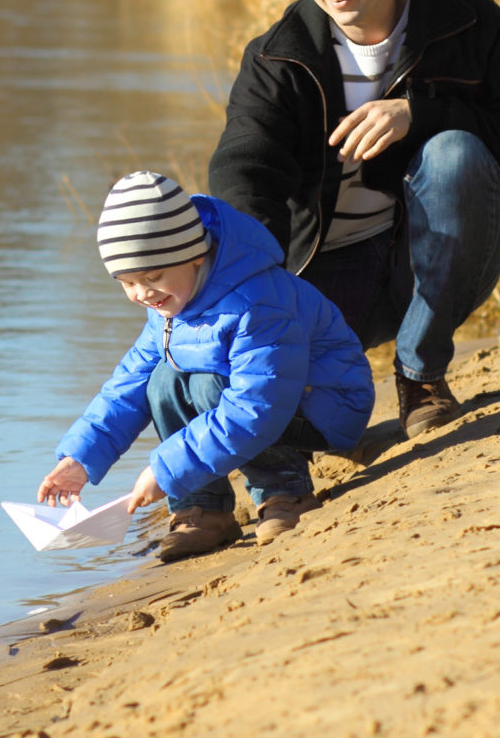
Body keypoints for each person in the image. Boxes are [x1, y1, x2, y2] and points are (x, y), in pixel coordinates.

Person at [207, 0, 500, 437]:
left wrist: (424, 115)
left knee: (454, 156)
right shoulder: (277, 57)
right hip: (318, 281)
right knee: (252, 390)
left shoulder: (468, 22)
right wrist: (244, 282)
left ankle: (420, 375)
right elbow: (245, 168)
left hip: (431, 265)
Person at [37, 171, 374, 561]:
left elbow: (256, 407)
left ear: (195, 254)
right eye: (126, 282)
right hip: (267, 406)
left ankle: (286, 491)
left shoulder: (257, 303)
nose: (142, 294)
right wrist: (79, 459)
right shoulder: (167, 306)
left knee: (206, 386)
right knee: (162, 381)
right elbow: (128, 384)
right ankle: (203, 509)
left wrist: (166, 471)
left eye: (153, 276)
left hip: (325, 407)